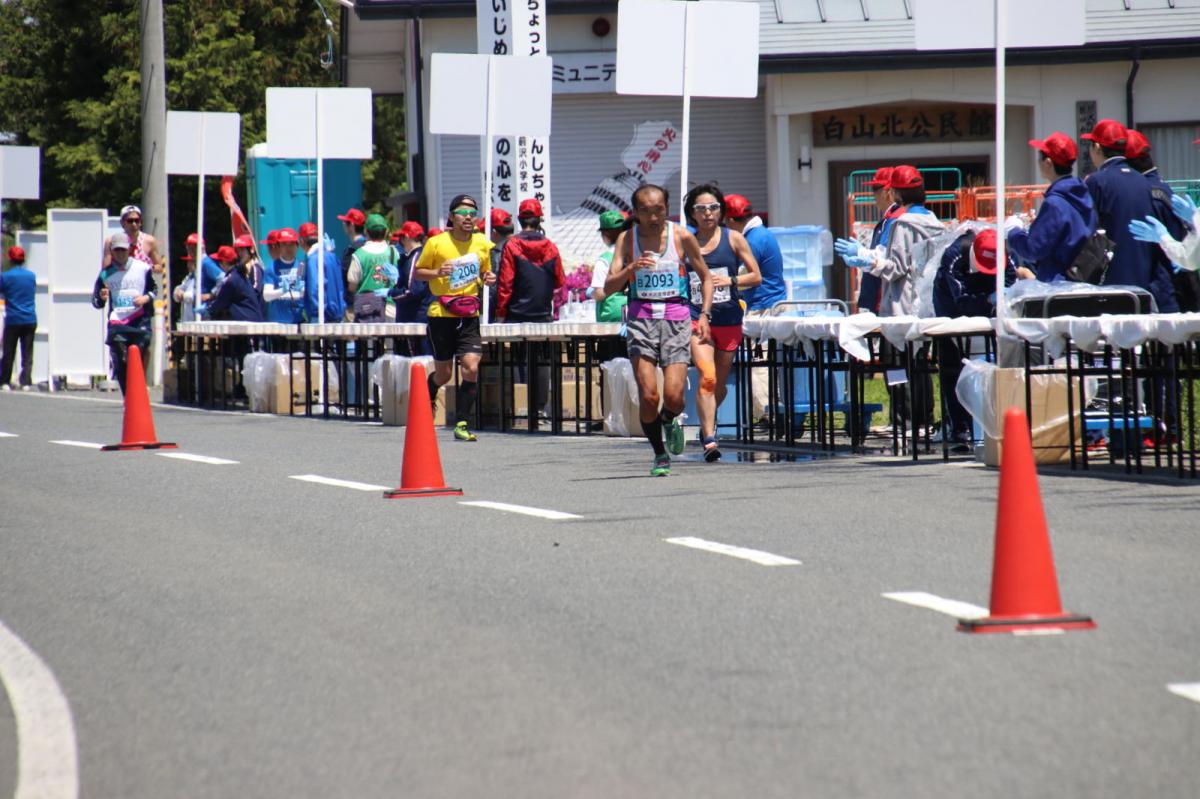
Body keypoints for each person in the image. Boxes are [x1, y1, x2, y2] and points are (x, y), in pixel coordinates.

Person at [604, 184, 713, 477]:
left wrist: (703, 315)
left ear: (667, 208)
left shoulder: (681, 236)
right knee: (649, 395)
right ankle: (659, 454)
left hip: (676, 318)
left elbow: (706, 277)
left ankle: (668, 420)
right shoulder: (628, 239)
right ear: (636, 213)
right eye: (646, 211)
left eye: (659, 210)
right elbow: (608, 286)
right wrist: (631, 269)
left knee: (675, 397)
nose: (653, 217)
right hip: (641, 319)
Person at [843, 165, 944, 430]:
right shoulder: (935, 223)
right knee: (920, 365)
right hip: (925, 304)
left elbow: (896, 267)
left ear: (895, 192)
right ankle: (923, 420)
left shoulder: (902, 223)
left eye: (879, 189)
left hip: (900, 307)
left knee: (897, 368)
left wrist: (868, 260)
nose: (876, 194)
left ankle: (904, 421)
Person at [682, 184, 761, 462]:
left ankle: (709, 418)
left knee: (719, 385)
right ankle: (709, 439)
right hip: (697, 318)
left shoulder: (735, 239)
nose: (708, 214)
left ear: (722, 211)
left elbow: (756, 276)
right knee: (708, 377)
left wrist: (730, 280)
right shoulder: (685, 241)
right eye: (701, 209)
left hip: (728, 318)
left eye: (713, 208)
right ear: (691, 214)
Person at [411, 194, 497, 442]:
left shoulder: (482, 243)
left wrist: (488, 278)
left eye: (473, 212)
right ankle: (429, 394)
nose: (469, 217)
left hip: (470, 313)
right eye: (463, 212)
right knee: (444, 374)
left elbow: (484, 273)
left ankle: (462, 423)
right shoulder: (436, 243)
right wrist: (437, 271)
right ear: (451, 217)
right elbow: (418, 273)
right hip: (441, 315)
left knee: (471, 367)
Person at [932, 228, 1016, 452]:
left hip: (992, 300)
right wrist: (987, 301)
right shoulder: (954, 256)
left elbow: (1012, 283)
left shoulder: (1008, 254)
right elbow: (960, 299)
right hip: (951, 302)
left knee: (1003, 359)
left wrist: (1002, 298)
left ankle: (1000, 420)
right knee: (953, 363)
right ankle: (960, 427)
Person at [1082, 118, 1179, 312]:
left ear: (1097, 147)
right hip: (1144, 281)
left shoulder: (1097, 182)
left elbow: (1087, 229)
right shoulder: (1144, 182)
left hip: (1110, 282)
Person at [724, 193, 785, 427]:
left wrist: (723, 281)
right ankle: (772, 410)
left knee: (759, 363)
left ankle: (766, 414)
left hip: (762, 309)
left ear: (731, 220)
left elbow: (745, 277)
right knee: (767, 363)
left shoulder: (753, 240)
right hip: (770, 305)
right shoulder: (761, 234)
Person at [1004, 132, 1097, 282]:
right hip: (1083, 278)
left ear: (1048, 162)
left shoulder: (1054, 203)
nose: (1038, 162)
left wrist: (1013, 231)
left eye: (1039, 158)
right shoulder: (1083, 193)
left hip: (1058, 284)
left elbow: (1033, 249)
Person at [1125, 129, 1199, 311]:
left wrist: (1163, 238)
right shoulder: (1160, 188)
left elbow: (1189, 257)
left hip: (1165, 286)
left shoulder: (1147, 193)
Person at [92, 232, 155, 395]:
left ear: (130, 250)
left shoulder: (143, 268)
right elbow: (96, 301)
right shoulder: (105, 274)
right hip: (117, 323)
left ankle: (139, 391)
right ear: (112, 252)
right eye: (117, 250)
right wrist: (102, 297)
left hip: (140, 321)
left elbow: (154, 289)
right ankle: (128, 395)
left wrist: (145, 298)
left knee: (139, 359)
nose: (120, 254)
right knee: (121, 359)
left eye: (124, 250)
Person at [837, 167, 903, 314]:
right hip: (884, 297)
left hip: (886, 299)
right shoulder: (890, 218)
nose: (874, 195)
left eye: (876, 189)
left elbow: (884, 257)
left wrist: (860, 252)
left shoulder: (894, 219)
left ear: (888, 191)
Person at [496, 199, 564, 323]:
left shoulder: (512, 245)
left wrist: (500, 312)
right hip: (543, 314)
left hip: (516, 315)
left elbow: (506, 284)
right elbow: (560, 282)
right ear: (539, 220)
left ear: (519, 219)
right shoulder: (551, 247)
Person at [347, 213, 399, 323]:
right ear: (385, 232)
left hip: (366, 308)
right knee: (389, 339)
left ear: (366, 231)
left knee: (367, 339)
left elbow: (352, 285)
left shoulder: (359, 255)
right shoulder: (394, 252)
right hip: (390, 307)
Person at [390, 221, 433, 355]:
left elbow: (413, 291)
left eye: (402, 238)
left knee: (415, 362)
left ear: (407, 237)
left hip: (415, 319)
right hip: (417, 319)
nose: (400, 242)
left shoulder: (415, 258)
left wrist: (393, 293)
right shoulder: (417, 256)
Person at [0, 246, 37, 391]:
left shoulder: (5, 276)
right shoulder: (31, 275)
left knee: (9, 351)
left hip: (13, 318)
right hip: (30, 317)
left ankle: (5, 381)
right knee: (27, 352)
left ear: (10, 259)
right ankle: (26, 381)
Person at [587, 210, 630, 323]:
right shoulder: (634, 254)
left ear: (604, 235)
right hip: (633, 311)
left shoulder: (604, 259)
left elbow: (600, 294)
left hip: (611, 315)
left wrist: (591, 293)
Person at [300, 222, 347, 324]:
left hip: (321, 316)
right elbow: (340, 286)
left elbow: (314, 288)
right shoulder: (332, 257)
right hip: (337, 314)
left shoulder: (313, 259)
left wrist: (318, 311)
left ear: (302, 242)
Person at [205, 246, 264, 322]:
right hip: (252, 319)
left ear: (224, 262)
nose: (218, 264)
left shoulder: (231, 279)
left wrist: (207, 308)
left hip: (246, 322)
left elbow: (221, 301)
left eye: (219, 261)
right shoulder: (239, 274)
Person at [263, 227, 306, 324]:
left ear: (297, 246)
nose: (288, 248)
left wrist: (301, 290)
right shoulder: (271, 267)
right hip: (277, 323)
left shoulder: (301, 266)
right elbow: (266, 296)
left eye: (291, 244)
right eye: (284, 244)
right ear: (278, 247)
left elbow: (305, 292)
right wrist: (285, 289)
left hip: (298, 322)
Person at [105, 205, 164, 274]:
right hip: (120, 282)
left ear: (140, 222)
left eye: (137, 220)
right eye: (130, 221)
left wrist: (147, 268)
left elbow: (160, 267)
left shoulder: (149, 241)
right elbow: (105, 269)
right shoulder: (112, 241)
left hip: (142, 282)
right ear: (122, 223)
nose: (134, 224)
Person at [232, 234, 267, 319]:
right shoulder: (240, 269)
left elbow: (255, 291)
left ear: (251, 250)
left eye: (242, 250)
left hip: (255, 317)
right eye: (237, 250)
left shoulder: (255, 268)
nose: (239, 254)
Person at [338, 207, 367, 290]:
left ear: (351, 225)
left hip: (354, 298)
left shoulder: (352, 250)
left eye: (345, 222)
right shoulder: (367, 245)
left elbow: (345, 276)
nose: (343, 224)